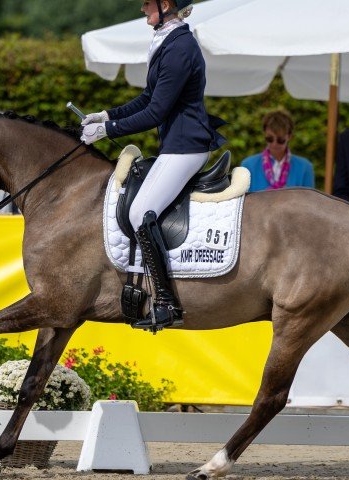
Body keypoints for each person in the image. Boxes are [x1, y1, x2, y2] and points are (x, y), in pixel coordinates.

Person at [80, 0, 225, 330]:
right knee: (138, 210)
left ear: (167, 5)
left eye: (148, 3)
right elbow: (148, 97)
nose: (144, 9)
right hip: (176, 145)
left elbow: (156, 113)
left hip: (186, 147)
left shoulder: (180, 47)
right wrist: (108, 115)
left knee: (141, 213)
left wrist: (107, 131)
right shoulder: (168, 40)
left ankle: (166, 302)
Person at [241, 110, 314, 192]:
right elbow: (243, 202)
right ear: (264, 134)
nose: (274, 144)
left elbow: (309, 202)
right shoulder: (248, 165)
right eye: (270, 139)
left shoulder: (305, 167)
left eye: (280, 140)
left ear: (289, 136)